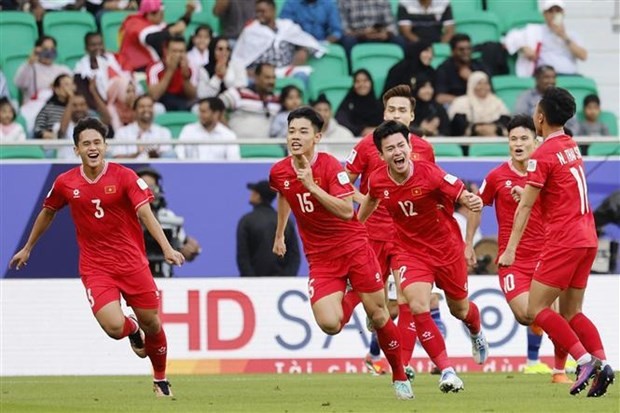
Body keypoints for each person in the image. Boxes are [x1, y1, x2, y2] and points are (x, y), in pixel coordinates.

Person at [9, 117, 185, 397]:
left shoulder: (125, 176)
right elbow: (48, 212)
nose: (92, 148)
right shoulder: (66, 182)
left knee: (153, 323)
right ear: (76, 149)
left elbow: (144, 213)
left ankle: (160, 378)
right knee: (115, 327)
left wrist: (166, 248)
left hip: (132, 264)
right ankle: (132, 331)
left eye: (97, 142)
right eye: (86, 143)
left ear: (105, 146)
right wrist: (28, 246)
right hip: (96, 266)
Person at [270, 107, 414, 400]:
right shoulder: (279, 171)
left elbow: (348, 210)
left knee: (379, 314)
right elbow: (285, 193)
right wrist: (280, 233)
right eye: (292, 131)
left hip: (353, 247)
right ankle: (351, 293)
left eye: (303, 131)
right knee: (330, 324)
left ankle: (400, 376)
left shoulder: (331, 167)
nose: (295, 137)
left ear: (317, 137)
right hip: (320, 257)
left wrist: (312, 186)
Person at [497, 87, 615, 397]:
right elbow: (558, 192)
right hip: (587, 237)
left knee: (537, 308)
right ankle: (603, 363)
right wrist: (529, 195)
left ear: (540, 118)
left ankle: (585, 360)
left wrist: (510, 249)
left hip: (564, 240)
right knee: (572, 312)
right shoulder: (571, 146)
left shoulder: (542, 154)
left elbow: (524, 208)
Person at [358, 120, 489, 393]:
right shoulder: (378, 179)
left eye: (400, 145)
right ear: (381, 155)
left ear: (409, 146)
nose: (397, 152)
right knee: (418, 306)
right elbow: (370, 200)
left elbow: (461, 193)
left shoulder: (430, 174)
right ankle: (448, 371)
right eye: (390, 148)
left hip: (446, 250)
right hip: (409, 252)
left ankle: (476, 332)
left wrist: (471, 200)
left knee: (460, 309)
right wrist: (357, 229)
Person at [465, 114, 573, 383]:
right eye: (513, 139)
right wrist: (468, 243)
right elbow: (477, 207)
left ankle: (560, 370)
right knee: (527, 315)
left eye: (524, 138)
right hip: (512, 258)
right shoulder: (497, 176)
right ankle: (555, 359)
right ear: (508, 143)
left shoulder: (547, 172)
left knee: (555, 313)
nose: (518, 143)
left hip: (547, 254)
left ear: (535, 142)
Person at [345, 84, 436, 375]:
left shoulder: (424, 149)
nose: (395, 114)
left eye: (401, 110)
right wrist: (363, 199)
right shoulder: (366, 145)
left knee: (408, 301)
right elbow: (341, 179)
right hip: (370, 235)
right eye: (391, 109)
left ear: (411, 115)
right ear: (384, 113)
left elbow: (431, 188)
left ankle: (403, 364)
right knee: (381, 308)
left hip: (406, 237)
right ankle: (374, 354)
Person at [231, 0, 324, 78]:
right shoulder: (250, 31)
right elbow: (239, 58)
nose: (259, 15)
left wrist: (303, 51)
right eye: (257, 12)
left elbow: (308, 42)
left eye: (262, 11)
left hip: (287, 70)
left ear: (273, 10)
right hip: (260, 74)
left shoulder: (287, 26)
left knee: (302, 76)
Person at [136, 167, 201, 278]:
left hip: (165, 277)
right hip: (135, 276)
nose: (147, 191)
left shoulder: (168, 217)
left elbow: (184, 251)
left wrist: (190, 249)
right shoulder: (126, 218)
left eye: (151, 187)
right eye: (143, 187)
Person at [502, 0, 587, 77]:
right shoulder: (535, 30)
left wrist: (564, 36)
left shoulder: (571, 34)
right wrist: (523, 48)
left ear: (563, 13)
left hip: (569, 75)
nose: (554, 14)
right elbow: (507, 39)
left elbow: (583, 56)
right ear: (544, 14)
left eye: (558, 11)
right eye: (550, 11)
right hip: (544, 76)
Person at [237, 180, 301, 277]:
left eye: (253, 192)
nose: (251, 194)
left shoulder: (246, 221)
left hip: (254, 285)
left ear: (258, 196)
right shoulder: (286, 221)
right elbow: (294, 257)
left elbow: (243, 257)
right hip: (282, 284)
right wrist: (286, 279)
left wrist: (251, 281)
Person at [117, 0, 193, 72]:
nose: (161, 16)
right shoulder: (134, 22)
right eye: (159, 13)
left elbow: (179, 27)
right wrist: (173, 30)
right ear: (149, 13)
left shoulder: (153, 23)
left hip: (149, 68)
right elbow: (152, 38)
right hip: (134, 69)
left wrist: (189, 12)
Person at [218, 63, 280, 139]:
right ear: (256, 78)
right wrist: (228, 131)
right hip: (238, 144)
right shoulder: (240, 93)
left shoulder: (278, 99)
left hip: (265, 147)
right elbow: (215, 105)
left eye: (273, 78)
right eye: (267, 78)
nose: (271, 81)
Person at [513, 65, 579, 133]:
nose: (551, 81)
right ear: (537, 79)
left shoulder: (562, 96)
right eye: (546, 77)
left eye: (553, 77)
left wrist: (567, 136)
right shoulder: (526, 96)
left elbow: (573, 124)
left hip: (561, 137)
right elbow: (519, 120)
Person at [448, 71, 510, 137]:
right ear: (472, 85)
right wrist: (476, 129)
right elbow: (457, 126)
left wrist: (495, 129)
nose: (483, 87)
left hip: (495, 139)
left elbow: (505, 122)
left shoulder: (497, 102)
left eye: (486, 83)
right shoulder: (461, 102)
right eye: (479, 83)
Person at [175, 97, 239, 161]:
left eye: (203, 112)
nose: (200, 115)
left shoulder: (228, 135)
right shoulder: (188, 130)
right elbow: (179, 154)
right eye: (200, 111)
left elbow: (233, 162)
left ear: (216, 114)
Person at [111, 94, 174, 159]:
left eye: (150, 106)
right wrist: (137, 154)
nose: (146, 109)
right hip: (130, 168)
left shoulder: (164, 132)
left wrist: (156, 156)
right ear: (134, 111)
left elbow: (168, 158)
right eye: (142, 106)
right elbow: (118, 159)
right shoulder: (122, 132)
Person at [435, 33, 489, 105]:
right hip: (456, 106)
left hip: (480, 104)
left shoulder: (479, 66)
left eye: (469, 49)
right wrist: (466, 102)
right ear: (452, 51)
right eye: (461, 49)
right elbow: (440, 98)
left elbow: (489, 93)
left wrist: (471, 78)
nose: (466, 52)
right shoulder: (444, 69)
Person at [146, 36, 198, 111]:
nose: (178, 55)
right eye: (174, 51)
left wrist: (185, 78)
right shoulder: (155, 68)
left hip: (184, 101)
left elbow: (192, 96)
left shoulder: (192, 68)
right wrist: (170, 70)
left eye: (181, 51)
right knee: (157, 108)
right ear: (166, 51)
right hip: (162, 101)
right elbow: (154, 96)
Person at [335, 69, 384, 137]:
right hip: (352, 140)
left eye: (365, 81)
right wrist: (361, 130)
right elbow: (341, 120)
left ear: (371, 83)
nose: (361, 84)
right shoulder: (348, 103)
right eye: (357, 81)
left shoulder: (378, 106)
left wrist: (375, 130)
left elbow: (386, 124)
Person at [311, 93, 354, 160]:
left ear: (331, 113)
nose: (322, 114)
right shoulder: (306, 133)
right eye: (319, 110)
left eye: (326, 110)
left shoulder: (345, 134)